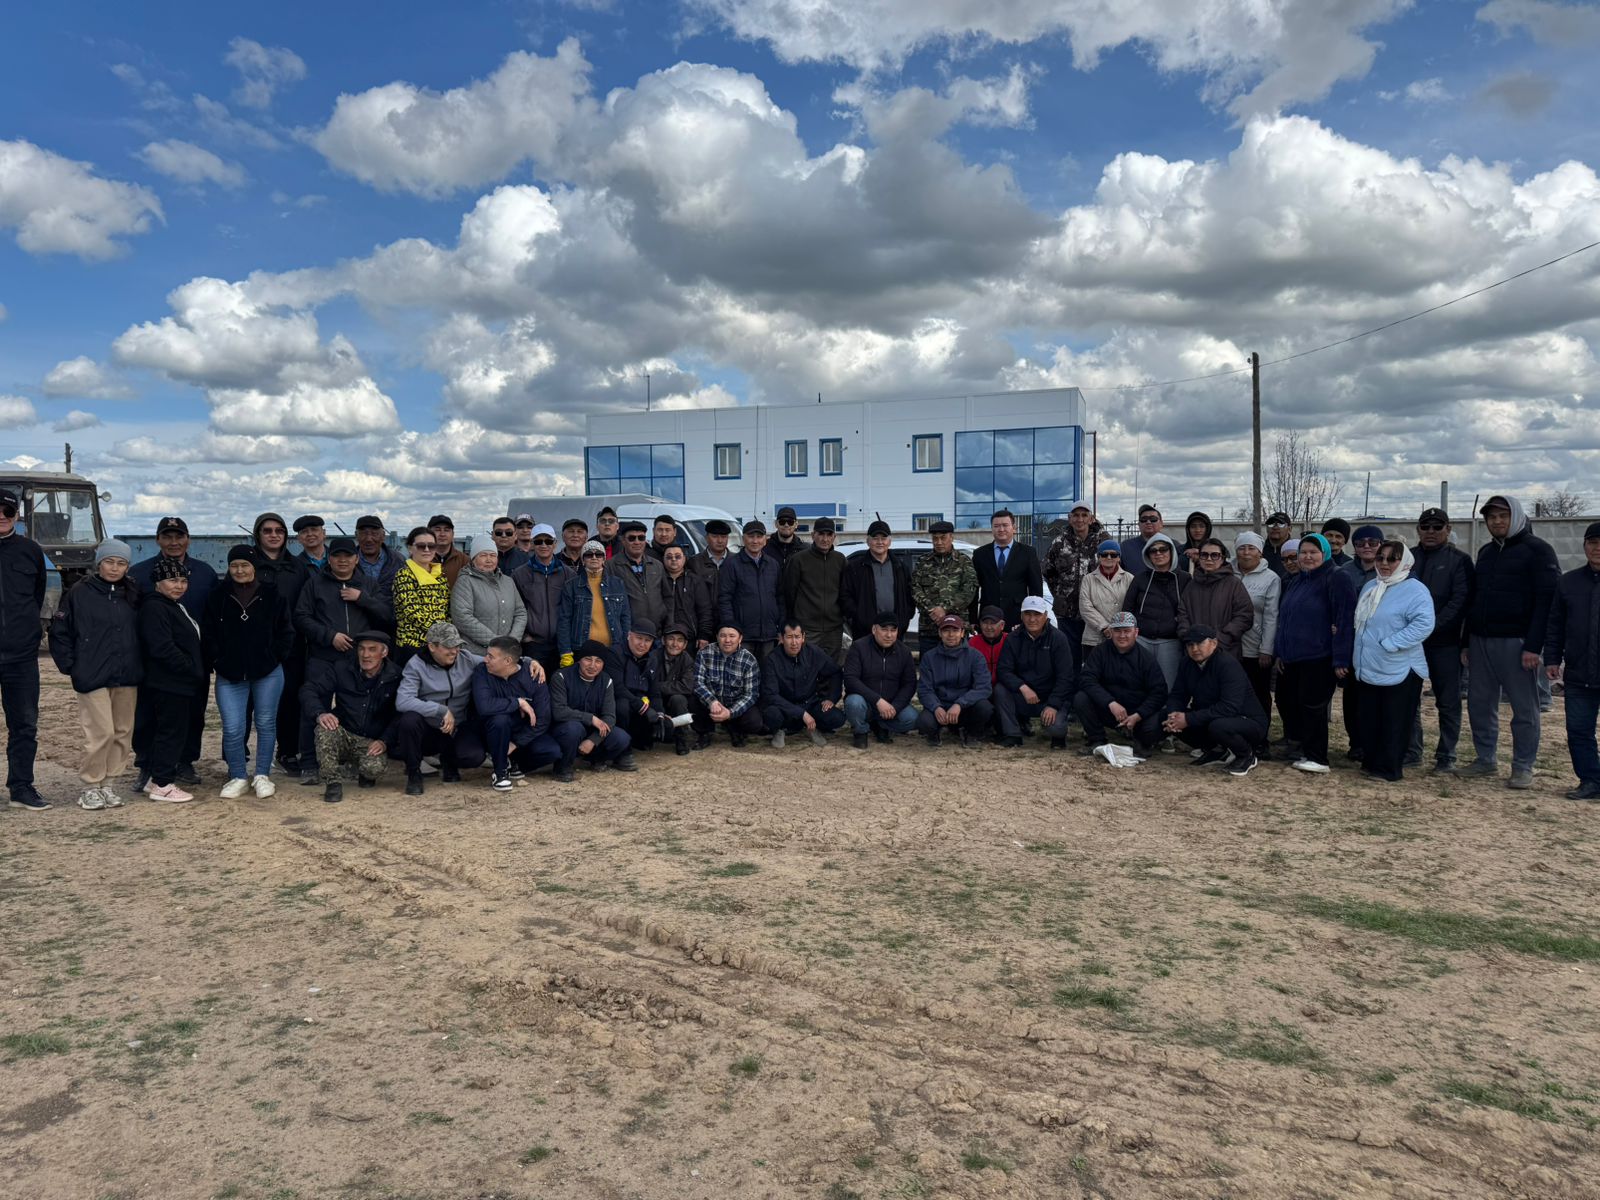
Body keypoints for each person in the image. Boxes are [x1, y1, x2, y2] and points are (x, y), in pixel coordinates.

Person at [1463, 495, 1560, 789]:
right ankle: (1485, 759)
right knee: (1480, 705)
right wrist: (1466, 641)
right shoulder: (1486, 552)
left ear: (1516, 516)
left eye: (1503, 516)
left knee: (1524, 708)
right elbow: (1474, 599)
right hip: (1481, 641)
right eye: (1492, 517)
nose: (1497, 521)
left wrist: (1533, 646)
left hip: (1517, 644)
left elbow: (1547, 603)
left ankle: (1522, 767)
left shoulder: (1538, 551)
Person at [49, 538, 140, 810]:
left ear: (127, 567)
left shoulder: (133, 593)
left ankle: (108, 784)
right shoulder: (79, 593)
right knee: (101, 732)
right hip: (92, 673)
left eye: (121, 563)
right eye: (109, 561)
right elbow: (60, 632)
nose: (114, 568)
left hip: (127, 673)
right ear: (99, 563)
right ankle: (90, 785)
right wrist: (71, 665)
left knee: (122, 732)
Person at [294, 536, 393, 783]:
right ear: (329, 559)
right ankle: (309, 762)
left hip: (357, 659)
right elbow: (301, 617)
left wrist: (362, 598)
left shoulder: (368, 584)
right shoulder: (315, 584)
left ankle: (350, 758)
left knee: (355, 709)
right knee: (315, 707)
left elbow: (387, 615)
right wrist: (330, 636)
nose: (342, 561)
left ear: (356, 559)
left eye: (347, 556)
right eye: (336, 556)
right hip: (323, 657)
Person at [131, 515, 219, 788]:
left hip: (195, 660)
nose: (173, 542)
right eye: (167, 537)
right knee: (148, 714)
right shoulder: (140, 573)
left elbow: (214, 615)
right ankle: (147, 764)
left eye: (179, 536)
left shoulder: (204, 573)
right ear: (157, 540)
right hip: (155, 661)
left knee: (193, 713)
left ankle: (185, 762)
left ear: (188, 539)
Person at [204, 544, 294, 799]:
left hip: (268, 672)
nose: (240, 570)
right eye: (234, 565)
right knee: (233, 727)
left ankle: (262, 775)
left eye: (245, 565)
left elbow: (286, 631)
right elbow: (208, 634)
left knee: (265, 723)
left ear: (254, 567)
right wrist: (218, 659)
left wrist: (274, 656)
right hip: (230, 674)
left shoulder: (273, 595)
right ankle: (238, 775)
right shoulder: (217, 597)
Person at [1352, 542, 1435, 783]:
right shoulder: (1371, 586)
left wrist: (1391, 643)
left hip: (1399, 667)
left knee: (1394, 721)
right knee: (1370, 718)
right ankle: (1371, 762)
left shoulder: (1415, 590)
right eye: (1381, 558)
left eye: (1392, 559)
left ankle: (1389, 768)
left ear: (1404, 562)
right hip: (1370, 665)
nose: (1385, 564)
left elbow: (1424, 624)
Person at [1275, 534, 1357, 773]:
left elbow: (1344, 619)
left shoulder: (1337, 577)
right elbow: (1285, 619)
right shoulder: (1298, 580)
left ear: (1325, 553)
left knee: (1313, 707)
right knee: (1295, 704)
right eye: (1303, 552)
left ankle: (1317, 757)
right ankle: (1303, 749)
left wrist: (1341, 658)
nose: (1307, 557)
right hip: (1293, 657)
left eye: (1313, 552)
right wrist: (1281, 652)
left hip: (1319, 656)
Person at [393, 621, 495, 794]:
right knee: (409, 721)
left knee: (473, 757)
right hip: (429, 729)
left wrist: (528, 662)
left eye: (457, 645)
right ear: (432, 647)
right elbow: (402, 701)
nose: (455, 651)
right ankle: (414, 773)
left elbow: (497, 662)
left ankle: (450, 762)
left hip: (458, 727)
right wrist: (440, 710)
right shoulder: (415, 665)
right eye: (448, 646)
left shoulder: (466, 658)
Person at [1407, 507, 1473, 773]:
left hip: (1445, 642)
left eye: (1437, 527)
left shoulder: (1459, 560)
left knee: (1447, 702)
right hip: (1411, 643)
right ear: (1418, 530)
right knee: (1408, 700)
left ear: (1448, 529)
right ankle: (1412, 751)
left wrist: (1430, 627)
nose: (1431, 532)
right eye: (1425, 527)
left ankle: (1446, 755)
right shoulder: (1407, 557)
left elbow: (1461, 601)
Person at [136, 557, 206, 803]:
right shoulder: (155, 607)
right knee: (171, 733)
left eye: (183, 580)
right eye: (172, 580)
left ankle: (156, 778)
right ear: (158, 582)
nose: (179, 585)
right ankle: (162, 784)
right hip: (168, 682)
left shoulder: (173, 605)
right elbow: (161, 647)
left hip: (177, 682)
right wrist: (190, 668)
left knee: (171, 730)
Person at [301, 630, 400, 803]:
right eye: (361, 649)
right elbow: (308, 690)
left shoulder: (396, 675)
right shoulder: (342, 668)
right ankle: (332, 782)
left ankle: (360, 769)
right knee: (324, 729)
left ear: (384, 652)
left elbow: (400, 714)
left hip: (372, 740)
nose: (365, 655)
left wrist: (384, 741)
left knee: (373, 769)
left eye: (372, 649)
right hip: (344, 733)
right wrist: (320, 713)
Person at [1163, 625, 1270, 776]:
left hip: (1247, 721)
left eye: (1199, 643)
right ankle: (1217, 751)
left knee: (1218, 726)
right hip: (1214, 717)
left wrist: (1188, 718)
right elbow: (1178, 694)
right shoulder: (1186, 663)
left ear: (1214, 643)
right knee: (1169, 717)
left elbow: (1229, 707)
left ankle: (1246, 755)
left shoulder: (1228, 665)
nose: (1194, 649)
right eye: (1190, 644)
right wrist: (1172, 714)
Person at [0, 487, 48, 810]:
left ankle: (21, 787)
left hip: (20, 657)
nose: (1, 518)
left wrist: (28, 635)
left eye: (7, 512)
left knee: (24, 725)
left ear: (16, 515)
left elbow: (37, 595)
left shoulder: (30, 551)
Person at [1545, 522, 1600, 801]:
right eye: (1593, 542)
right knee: (1579, 730)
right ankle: (1590, 781)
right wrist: (1552, 659)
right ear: (1584, 546)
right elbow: (1556, 624)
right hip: (1579, 673)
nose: (1597, 548)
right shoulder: (1568, 582)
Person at [474, 635, 574, 789]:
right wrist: (517, 702)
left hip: (522, 733)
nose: (485, 659)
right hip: (492, 732)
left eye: (491, 656)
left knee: (551, 751)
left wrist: (516, 743)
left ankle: (516, 765)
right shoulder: (482, 671)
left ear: (508, 661)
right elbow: (484, 706)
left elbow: (543, 719)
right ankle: (500, 773)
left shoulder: (534, 674)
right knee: (500, 720)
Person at [253, 513, 310, 775]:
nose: (274, 535)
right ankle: (238, 756)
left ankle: (287, 751)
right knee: (250, 703)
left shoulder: (297, 567)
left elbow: (305, 605)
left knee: (289, 700)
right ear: (258, 534)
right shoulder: (249, 564)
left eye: (279, 531)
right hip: (254, 645)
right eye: (267, 531)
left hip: (291, 645)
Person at [1073, 612, 1166, 756]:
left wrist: (1138, 715)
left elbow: (1159, 692)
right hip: (1109, 711)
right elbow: (1086, 679)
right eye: (1117, 631)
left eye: (1127, 631)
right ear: (1110, 632)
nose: (1122, 635)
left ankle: (1142, 742)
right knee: (1081, 698)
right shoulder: (1099, 652)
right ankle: (1097, 740)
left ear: (1136, 632)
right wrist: (1110, 703)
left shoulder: (1146, 658)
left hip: (1138, 713)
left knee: (1160, 719)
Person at [994, 596, 1073, 748]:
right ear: (1021, 616)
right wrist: (1022, 687)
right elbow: (1003, 670)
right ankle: (1012, 735)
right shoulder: (1012, 638)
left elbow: (1066, 677)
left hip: (1050, 697)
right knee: (1000, 690)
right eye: (1028, 614)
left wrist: (1053, 705)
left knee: (1057, 730)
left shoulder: (1058, 638)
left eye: (1037, 614)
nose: (1032, 619)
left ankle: (1055, 729)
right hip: (1024, 696)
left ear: (1045, 615)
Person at [552, 639, 637, 772]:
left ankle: (596, 759)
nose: (592, 665)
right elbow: (558, 711)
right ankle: (563, 766)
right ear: (579, 660)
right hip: (566, 729)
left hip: (592, 730)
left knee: (622, 738)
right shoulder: (561, 676)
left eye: (598, 661)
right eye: (588, 659)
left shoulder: (606, 680)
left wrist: (593, 740)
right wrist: (590, 718)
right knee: (573, 729)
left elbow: (609, 717)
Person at [760, 621, 845, 748]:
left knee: (837, 718)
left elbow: (835, 671)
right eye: (789, 637)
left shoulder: (813, 652)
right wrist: (802, 714)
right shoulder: (772, 660)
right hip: (785, 707)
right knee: (771, 714)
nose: (794, 642)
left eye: (797, 637)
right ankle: (779, 730)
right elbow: (770, 695)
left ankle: (812, 728)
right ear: (781, 638)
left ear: (803, 637)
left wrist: (831, 698)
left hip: (810, 704)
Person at [1043, 503, 1105, 673]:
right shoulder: (1059, 542)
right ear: (1070, 519)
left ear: (1091, 519)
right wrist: (1060, 593)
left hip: (1096, 611)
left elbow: (1112, 569)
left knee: (1094, 658)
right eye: (1076, 515)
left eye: (1084, 515)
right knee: (1069, 658)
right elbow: (1048, 571)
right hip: (1067, 612)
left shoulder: (1103, 541)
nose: (1080, 519)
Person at [916, 615, 994, 748]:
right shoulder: (929, 657)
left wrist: (959, 704)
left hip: (965, 707)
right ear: (940, 633)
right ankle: (935, 734)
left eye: (955, 630)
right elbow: (924, 689)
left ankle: (971, 734)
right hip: (941, 707)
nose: (951, 635)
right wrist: (936, 707)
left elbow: (983, 687)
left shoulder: (975, 656)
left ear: (962, 633)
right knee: (924, 722)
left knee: (985, 708)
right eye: (946, 630)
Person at [843, 613, 919, 747]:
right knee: (853, 702)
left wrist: (895, 707)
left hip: (891, 705)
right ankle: (861, 731)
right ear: (874, 629)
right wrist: (877, 700)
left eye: (893, 630)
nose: (889, 635)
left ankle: (881, 725)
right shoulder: (859, 647)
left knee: (912, 718)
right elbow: (850, 679)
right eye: (884, 629)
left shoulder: (904, 652)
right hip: (866, 703)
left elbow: (910, 684)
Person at [1128, 533, 1189, 690]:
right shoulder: (1140, 578)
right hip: (1142, 639)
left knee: (1168, 686)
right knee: (1140, 685)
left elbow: (1190, 609)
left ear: (1171, 551)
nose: (1158, 553)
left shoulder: (1185, 579)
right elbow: (1128, 609)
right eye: (1153, 550)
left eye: (1163, 549)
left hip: (1171, 642)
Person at [782, 516, 847, 662]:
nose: (825, 539)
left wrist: (841, 616)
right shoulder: (798, 560)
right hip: (807, 629)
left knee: (830, 669)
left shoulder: (840, 560)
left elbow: (845, 592)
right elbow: (789, 594)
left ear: (834, 537)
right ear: (813, 535)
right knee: (806, 668)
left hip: (834, 629)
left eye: (829, 534)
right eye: (821, 534)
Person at [718, 520, 784, 663]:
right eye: (751, 536)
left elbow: (780, 598)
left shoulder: (773, 565)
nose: (755, 541)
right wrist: (731, 629)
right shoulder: (732, 564)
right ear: (743, 539)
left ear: (765, 540)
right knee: (741, 672)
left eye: (759, 537)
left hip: (769, 635)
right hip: (743, 635)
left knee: (768, 672)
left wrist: (780, 628)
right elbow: (724, 599)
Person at [558, 540, 631, 667]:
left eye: (598, 554)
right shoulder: (571, 586)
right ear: (583, 560)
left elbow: (625, 618)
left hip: (613, 649)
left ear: (604, 559)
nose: (594, 557)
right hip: (582, 650)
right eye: (588, 554)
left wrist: (626, 647)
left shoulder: (617, 584)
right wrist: (565, 652)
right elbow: (564, 620)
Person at [512, 523, 572, 676]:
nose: (544, 545)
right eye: (538, 541)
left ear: (555, 544)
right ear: (532, 544)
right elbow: (514, 608)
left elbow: (574, 607)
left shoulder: (568, 573)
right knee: (534, 683)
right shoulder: (520, 574)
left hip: (561, 644)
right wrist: (524, 636)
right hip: (534, 644)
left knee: (559, 684)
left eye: (548, 541)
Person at [911, 520, 978, 656]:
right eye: (935, 538)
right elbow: (914, 588)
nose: (939, 542)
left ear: (951, 537)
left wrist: (944, 609)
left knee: (959, 666)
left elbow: (968, 590)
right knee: (929, 666)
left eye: (943, 538)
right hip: (929, 628)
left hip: (956, 629)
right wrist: (932, 609)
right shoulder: (923, 562)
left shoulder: (963, 561)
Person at [451, 537, 528, 657]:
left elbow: (520, 613)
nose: (489, 560)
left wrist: (512, 641)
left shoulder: (508, 581)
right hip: (476, 654)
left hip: (506, 653)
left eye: (493, 555)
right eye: (483, 555)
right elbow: (462, 617)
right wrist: (496, 642)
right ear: (473, 559)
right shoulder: (465, 582)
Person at [1234, 533, 1281, 724]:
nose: (1246, 552)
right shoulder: (1227, 572)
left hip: (1255, 648)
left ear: (1260, 552)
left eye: (1251, 548)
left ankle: (1260, 732)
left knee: (1258, 693)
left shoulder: (1271, 578)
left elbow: (1271, 616)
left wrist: (1266, 649)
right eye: (1242, 548)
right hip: (1230, 646)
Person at [1180, 538, 1254, 658]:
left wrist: (1222, 638)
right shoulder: (1191, 585)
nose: (1209, 559)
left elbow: (1244, 615)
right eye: (1204, 555)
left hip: (1225, 651)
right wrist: (1189, 637)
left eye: (1214, 555)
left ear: (1222, 558)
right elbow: (1182, 614)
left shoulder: (1233, 584)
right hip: (1194, 651)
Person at [691, 624, 764, 747]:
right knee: (692, 701)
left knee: (754, 721)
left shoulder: (749, 660)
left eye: (732, 636)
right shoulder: (704, 653)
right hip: (710, 704)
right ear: (717, 637)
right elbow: (697, 682)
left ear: (740, 638)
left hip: (734, 704)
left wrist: (730, 713)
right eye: (723, 636)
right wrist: (712, 702)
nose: (727, 640)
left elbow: (751, 694)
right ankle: (704, 733)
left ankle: (735, 730)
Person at [842, 520, 913, 641]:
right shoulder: (855, 568)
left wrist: (904, 619)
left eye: (883, 538)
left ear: (889, 541)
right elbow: (845, 596)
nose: (880, 542)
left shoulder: (900, 567)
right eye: (875, 538)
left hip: (894, 632)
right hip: (864, 633)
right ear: (868, 541)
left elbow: (910, 596)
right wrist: (859, 617)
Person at [971, 509, 1042, 627]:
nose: (1001, 529)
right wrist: (973, 620)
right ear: (992, 529)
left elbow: (1036, 589)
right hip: (988, 617)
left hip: (1017, 617)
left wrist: (1033, 617)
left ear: (1013, 528)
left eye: (1005, 525)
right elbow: (973, 589)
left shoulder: (1028, 553)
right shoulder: (980, 554)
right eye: (996, 526)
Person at [392, 526, 450, 666]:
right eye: (421, 546)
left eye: (431, 546)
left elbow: (447, 609)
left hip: (439, 644)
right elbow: (413, 612)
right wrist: (444, 634)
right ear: (410, 548)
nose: (427, 550)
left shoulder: (440, 575)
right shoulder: (403, 575)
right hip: (413, 646)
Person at [608, 521, 667, 632]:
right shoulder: (611, 565)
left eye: (641, 538)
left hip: (657, 631)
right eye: (632, 538)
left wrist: (668, 626)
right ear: (623, 540)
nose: (637, 542)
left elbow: (668, 597)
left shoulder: (657, 565)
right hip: (628, 632)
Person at [1078, 540, 1134, 656]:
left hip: (1122, 636)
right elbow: (1085, 607)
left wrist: (1118, 629)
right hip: (1094, 637)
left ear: (1119, 558)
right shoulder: (1088, 579)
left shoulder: (1129, 579)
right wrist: (1104, 627)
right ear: (1098, 557)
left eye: (1113, 555)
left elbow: (1133, 605)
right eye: (1104, 554)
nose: (1109, 557)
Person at [618, 620, 665, 752]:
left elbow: (655, 692)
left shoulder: (652, 659)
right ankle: (622, 750)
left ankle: (638, 740)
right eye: (639, 638)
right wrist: (644, 708)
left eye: (647, 640)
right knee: (622, 706)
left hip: (641, 705)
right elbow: (617, 688)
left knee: (666, 726)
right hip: (622, 703)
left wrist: (659, 714)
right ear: (629, 635)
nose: (642, 644)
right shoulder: (616, 653)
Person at [660, 544, 715, 649]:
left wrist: (704, 635)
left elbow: (705, 610)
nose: (673, 560)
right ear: (663, 559)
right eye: (669, 557)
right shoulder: (658, 579)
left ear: (684, 558)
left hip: (690, 638)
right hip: (663, 637)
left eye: (678, 556)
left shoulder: (695, 580)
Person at [657, 624, 698, 755]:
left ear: (685, 645)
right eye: (671, 639)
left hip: (675, 703)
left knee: (678, 699)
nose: (675, 644)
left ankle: (682, 740)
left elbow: (687, 687)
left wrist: (659, 686)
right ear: (663, 640)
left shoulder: (687, 659)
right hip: (656, 700)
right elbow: (647, 684)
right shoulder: (653, 656)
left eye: (680, 640)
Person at [354, 515, 403, 620]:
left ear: (383, 536)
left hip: (391, 622)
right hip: (358, 622)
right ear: (356, 536)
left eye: (374, 534)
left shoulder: (398, 561)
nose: (369, 539)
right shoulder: (346, 563)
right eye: (363, 534)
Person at [968, 606, 1008, 683]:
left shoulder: (1009, 640)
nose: (989, 627)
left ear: (1002, 625)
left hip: (1004, 684)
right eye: (985, 623)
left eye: (993, 623)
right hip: (979, 684)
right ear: (980, 624)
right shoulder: (972, 643)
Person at [429, 514, 471, 586]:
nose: (442, 534)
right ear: (429, 533)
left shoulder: (464, 561)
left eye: (446, 530)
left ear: (453, 534)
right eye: (437, 530)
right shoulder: (420, 560)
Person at [1177, 511, 1213, 575]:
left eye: (1202, 526)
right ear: (1188, 529)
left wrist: (1201, 555)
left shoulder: (1216, 551)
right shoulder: (1179, 551)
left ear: (1207, 529)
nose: (1197, 530)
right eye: (1193, 526)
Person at [1264, 512, 1294, 580]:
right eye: (1271, 524)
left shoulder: (1297, 551)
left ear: (1289, 528)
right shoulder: (1259, 551)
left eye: (1280, 524)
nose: (1275, 527)